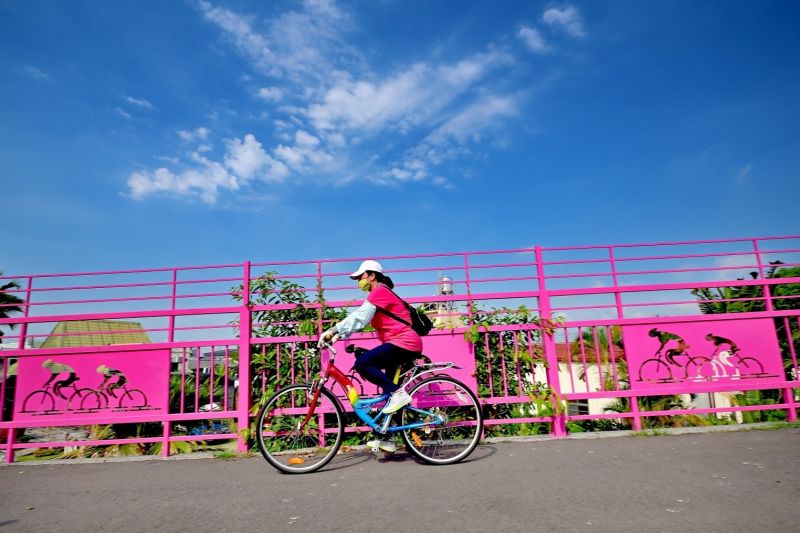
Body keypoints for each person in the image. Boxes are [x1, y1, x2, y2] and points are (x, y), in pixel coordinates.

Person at [319, 260, 423, 451]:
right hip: (398, 343)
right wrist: (335, 337)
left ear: (371, 275)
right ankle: (388, 438)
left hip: (404, 343)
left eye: (361, 276)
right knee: (387, 394)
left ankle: (399, 394)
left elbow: (359, 317)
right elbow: (360, 322)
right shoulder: (380, 295)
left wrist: (333, 330)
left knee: (363, 364)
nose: (359, 280)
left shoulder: (380, 291)